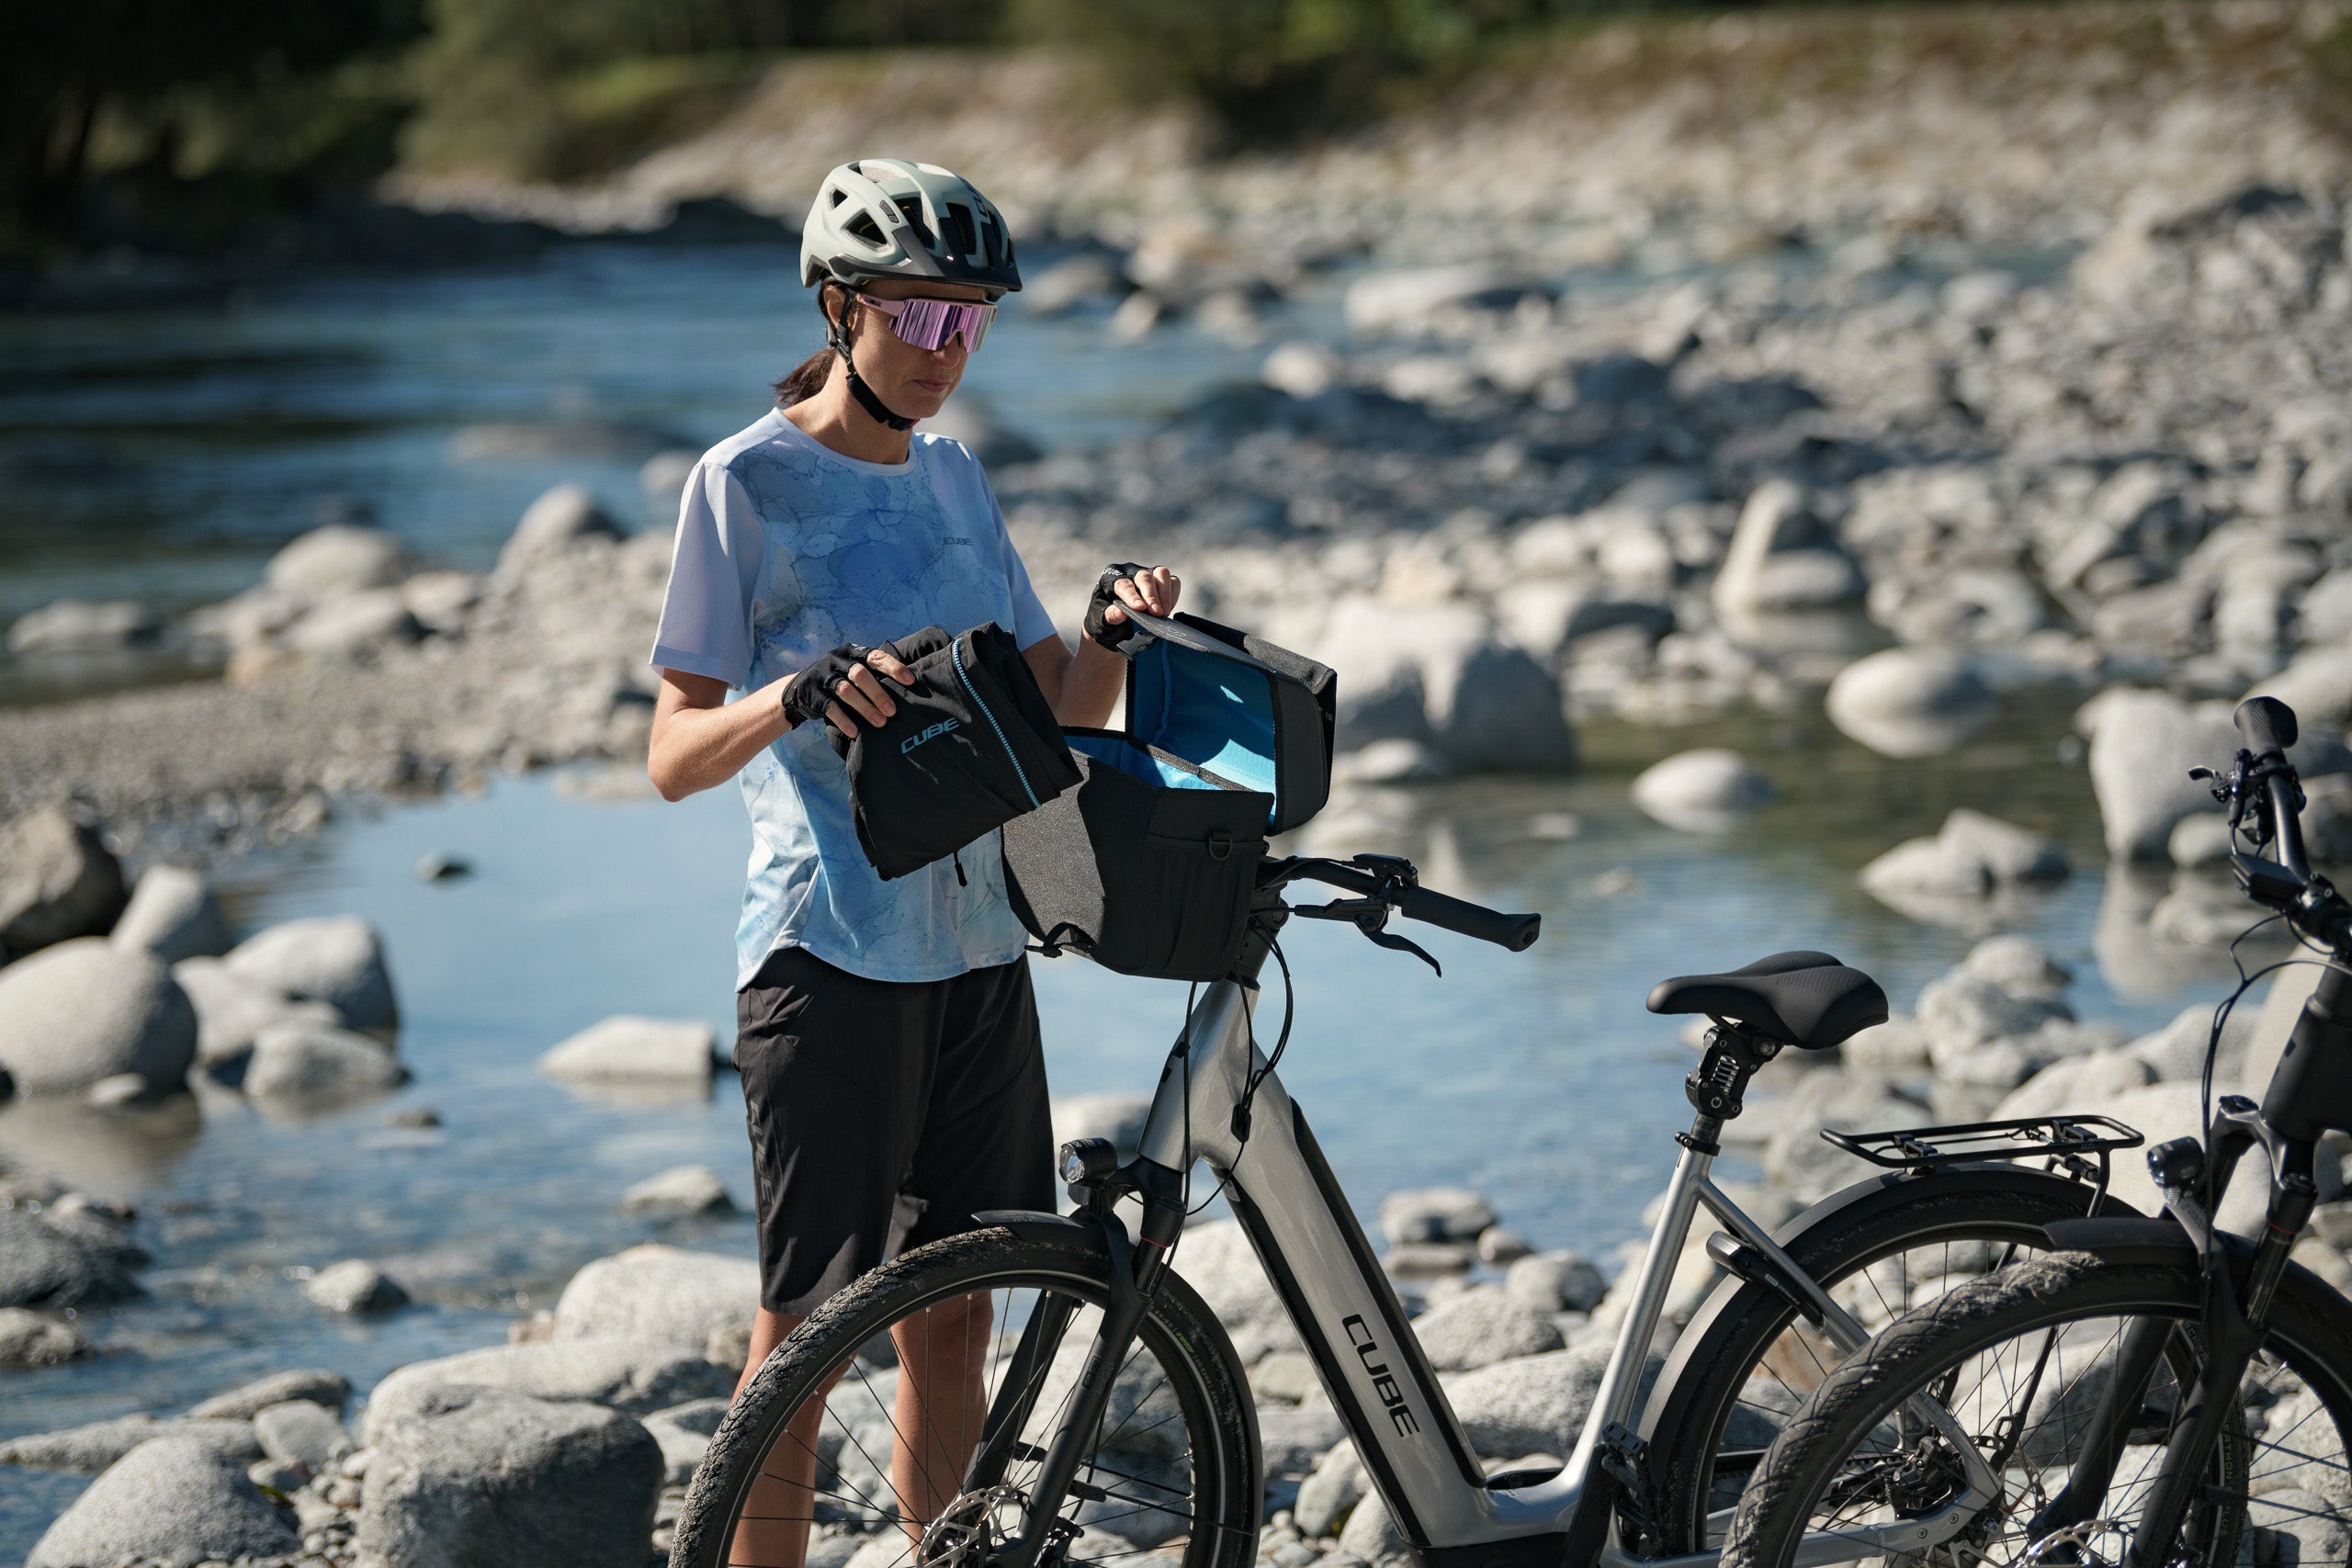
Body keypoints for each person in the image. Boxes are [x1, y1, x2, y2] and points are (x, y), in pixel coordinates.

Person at [643, 157, 1180, 1567]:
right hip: (829, 954)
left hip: (982, 950)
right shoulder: (742, 485)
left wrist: (1109, 634)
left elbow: (1051, 705)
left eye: (973, 325)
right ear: (838, 308)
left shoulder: (952, 479)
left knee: (958, 1312)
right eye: (921, 321)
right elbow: (673, 754)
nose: (949, 354)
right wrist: (796, 694)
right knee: (810, 1334)